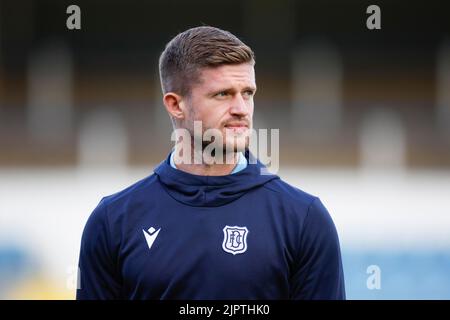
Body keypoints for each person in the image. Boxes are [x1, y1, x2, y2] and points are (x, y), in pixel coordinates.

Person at [76, 26, 345, 300]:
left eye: (248, 93)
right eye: (223, 94)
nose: (241, 108)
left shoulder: (304, 220)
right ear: (175, 105)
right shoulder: (113, 221)